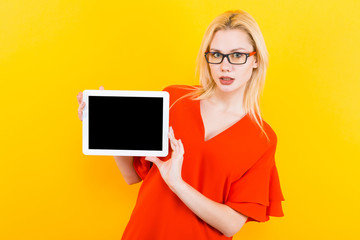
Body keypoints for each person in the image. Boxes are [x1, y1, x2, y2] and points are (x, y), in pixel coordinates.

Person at [77, 9, 284, 239]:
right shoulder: (173, 101)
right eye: (216, 54)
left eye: (237, 55)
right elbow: (131, 176)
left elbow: (231, 224)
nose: (225, 66)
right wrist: (106, 122)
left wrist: (178, 184)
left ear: (255, 60)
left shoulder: (262, 139)